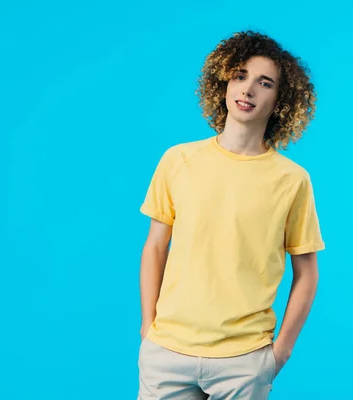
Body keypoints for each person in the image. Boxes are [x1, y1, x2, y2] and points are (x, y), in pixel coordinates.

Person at [137, 30, 325, 399]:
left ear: (280, 100)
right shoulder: (178, 160)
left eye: (264, 82)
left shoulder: (292, 180)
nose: (248, 89)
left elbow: (307, 272)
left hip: (245, 359)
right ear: (222, 83)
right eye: (239, 76)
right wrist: (149, 327)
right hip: (167, 351)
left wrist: (280, 351)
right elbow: (156, 246)